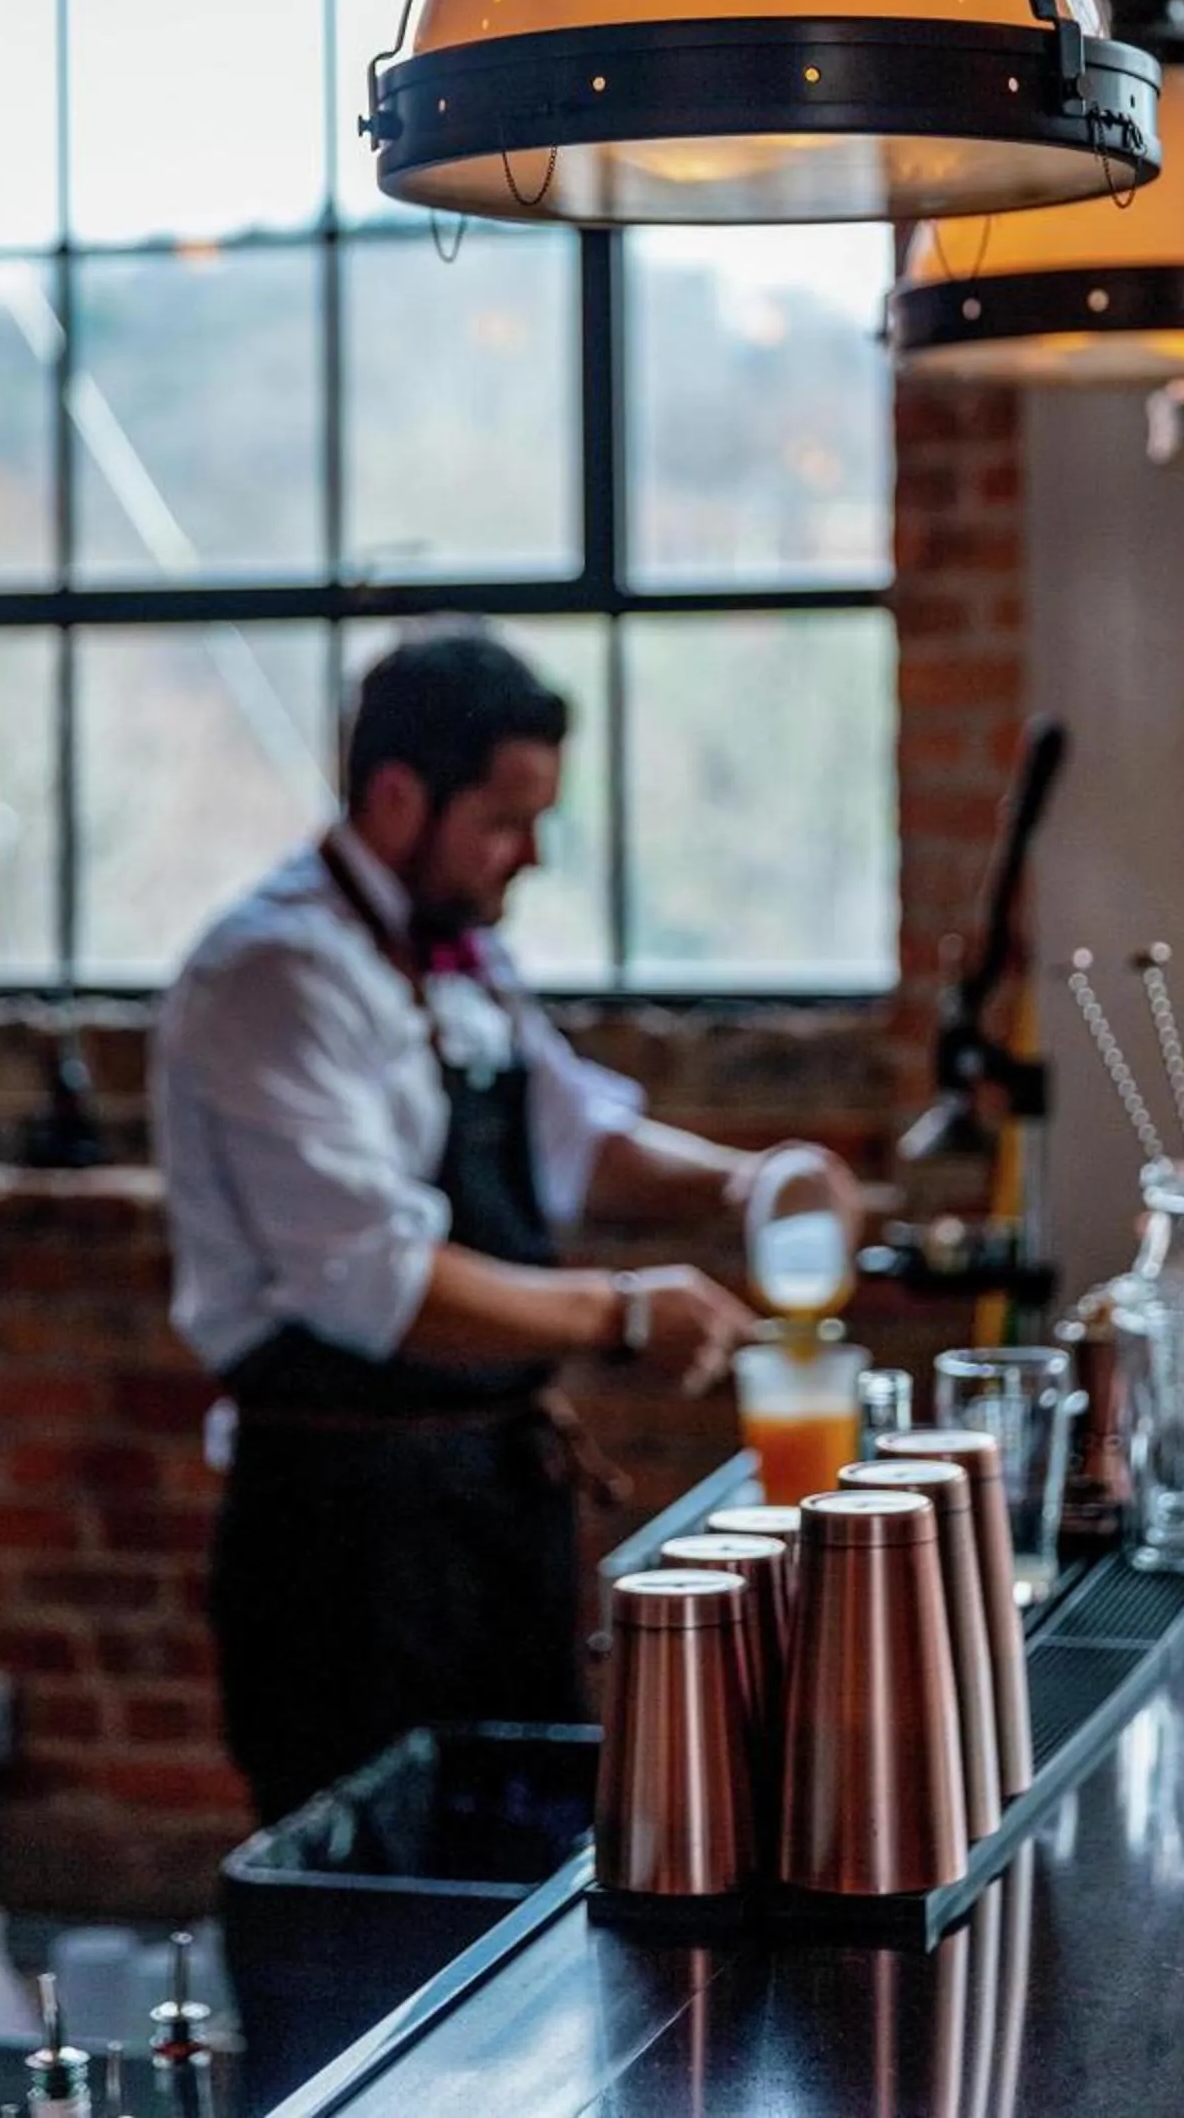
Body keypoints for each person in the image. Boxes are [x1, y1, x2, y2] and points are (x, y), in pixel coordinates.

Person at [154, 627, 856, 1825]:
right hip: (343, 1539)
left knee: (523, 1868)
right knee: (368, 1905)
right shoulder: (272, 980)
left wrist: (748, 1184)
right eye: (503, 822)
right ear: (393, 797)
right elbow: (381, 1284)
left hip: (489, 1503)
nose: (526, 858)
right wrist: (625, 1312)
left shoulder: (461, 956)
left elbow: (572, 1129)